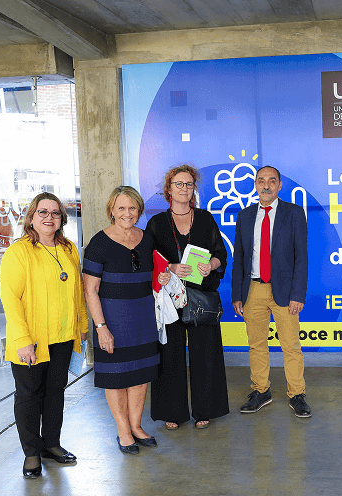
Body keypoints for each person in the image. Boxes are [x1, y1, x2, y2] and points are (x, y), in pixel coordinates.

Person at [0, 192, 89, 479]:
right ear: (32, 217)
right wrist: (22, 340)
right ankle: (31, 453)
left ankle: (51, 444)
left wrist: (82, 325)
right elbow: (10, 300)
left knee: (55, 393)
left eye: (55, 213)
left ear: (62, 218)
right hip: (32, 340)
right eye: (43, 212)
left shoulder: (69, 248)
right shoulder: (19, 252)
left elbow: (78, 291)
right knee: (29, 396)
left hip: (63, 336)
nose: (49, 217)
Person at [149, 164, 229, 430]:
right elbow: (149, 260)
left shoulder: (205, 218)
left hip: (201, 298)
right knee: (169, 356)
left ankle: (206, 409)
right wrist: (170, 267)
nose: (184, 189)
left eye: (189, 184)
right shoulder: (156, 223)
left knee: (206, 354)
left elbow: (221, 254)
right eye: (179, 184)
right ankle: (172, 412)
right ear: (168, 189)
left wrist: (212, 265)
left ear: (194, 189)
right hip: (169, 299)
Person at [83, 186, 160, 455]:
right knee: (116, 377)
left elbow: (155, 275)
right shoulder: (99, 243)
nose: (127, 213)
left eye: (132, 208)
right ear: (112, 211)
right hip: (113, 320)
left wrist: (163, 276)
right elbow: (90, 290)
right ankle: (123, 431)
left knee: (140, 374)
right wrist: (101, 328)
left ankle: (136, 426)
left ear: (139, 210)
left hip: (144, 318)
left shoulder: (147, 239)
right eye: (121, 208)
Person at [231, 165, 311, 418]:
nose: (266, 185)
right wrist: (237, 295)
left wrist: (298, 294)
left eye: (272, 181)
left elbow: (301, 257)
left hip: (285, 292)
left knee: (291, 346)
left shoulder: (294, 213)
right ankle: (261, 391)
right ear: (256, 184)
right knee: (256, 345)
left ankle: (297, 394)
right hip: (252, 290)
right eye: (261, 181)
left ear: (279, 185)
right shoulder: (244, 216)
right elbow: (239, 257)